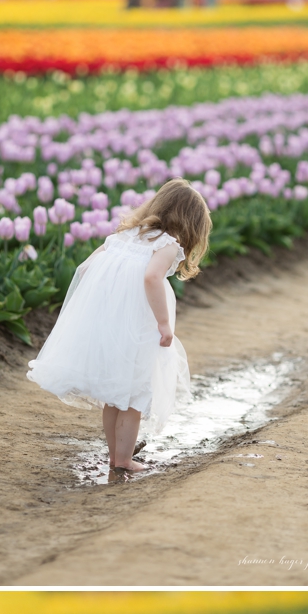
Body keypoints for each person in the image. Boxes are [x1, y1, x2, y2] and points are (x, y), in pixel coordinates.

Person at [27, 177, 211, 474]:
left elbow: (84, 268)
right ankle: (124, 461)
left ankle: (115, 457)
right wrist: (164, 324)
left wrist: (100, 309)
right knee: (134, 396)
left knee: (114, 394)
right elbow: (152, 278)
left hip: (111, 324)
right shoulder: (166, 245)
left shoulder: (127, 234)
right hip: (138, 328)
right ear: (190, 223)